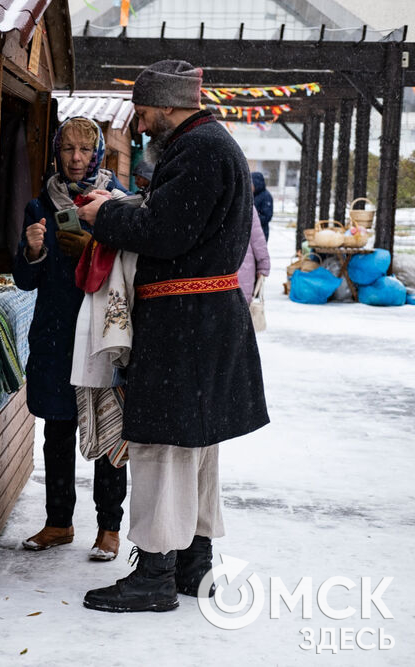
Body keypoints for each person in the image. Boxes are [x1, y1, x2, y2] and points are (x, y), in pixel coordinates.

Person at [77, 60, 269, 612]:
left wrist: (104, 217)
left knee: (163, 446)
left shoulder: (199, 148)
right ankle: (193, 564)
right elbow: (180, 221)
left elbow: (167, 232)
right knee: (195, 445)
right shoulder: (210, 144)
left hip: (186, 323)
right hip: (203, 320)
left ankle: (156, 576)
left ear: (165, 105)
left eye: (141, 111)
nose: (139, 123)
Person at [13, 116, 129, 561]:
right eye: (68, 149)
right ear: (57, 153)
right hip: (57, 334)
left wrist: (96, 248)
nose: (76, 158)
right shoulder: (40, 205)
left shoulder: (118, 202)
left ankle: (109, 528)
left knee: (109, 430)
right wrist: (34, 251)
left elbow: (133, 265)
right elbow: (26, 282)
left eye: (84, 149)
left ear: (97, 152)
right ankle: (58, 522)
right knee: (57, 430)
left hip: (103, 331)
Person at [238, 208, 271, 302]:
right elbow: (257, 239)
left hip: (213, 276)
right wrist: (263, 266)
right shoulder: (246, 204)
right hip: (242, 266)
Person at [252, 172, 273, 241]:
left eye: (251, 184)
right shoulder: (251, 195)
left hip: (261, 232)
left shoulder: (266, 196)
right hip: (251, 232)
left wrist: (252, 219)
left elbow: (267, 216)